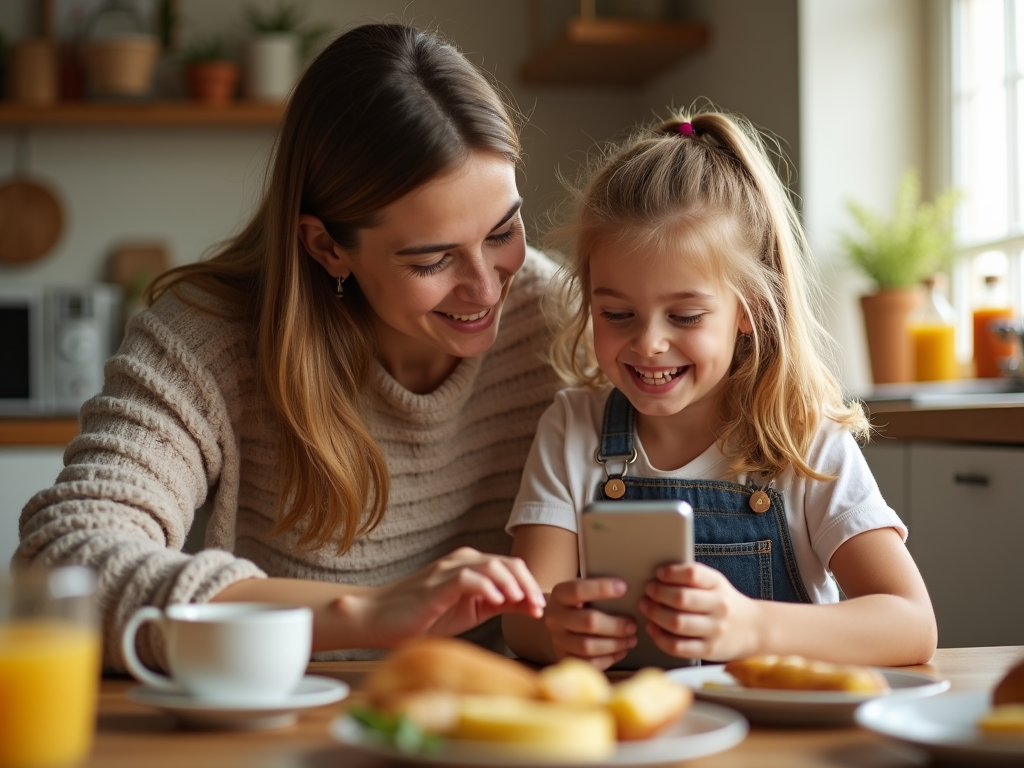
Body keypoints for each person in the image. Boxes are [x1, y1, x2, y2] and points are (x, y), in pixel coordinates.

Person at [16, 22, 562, 670]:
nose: (485, 287)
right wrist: (365, 613)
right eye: (432, 260)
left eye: (503, 231)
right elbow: (63, 558)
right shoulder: (207, 339)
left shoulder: (560, 315)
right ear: (327, 246)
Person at [502, 109, 938, 669]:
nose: (649, 343)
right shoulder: (571, 427)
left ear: (750, 311)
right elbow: (525, 618)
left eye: (684, 316)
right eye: (617, 313)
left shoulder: (805, 439)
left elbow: (911, 623)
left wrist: (753, 625)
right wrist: (554, 630)